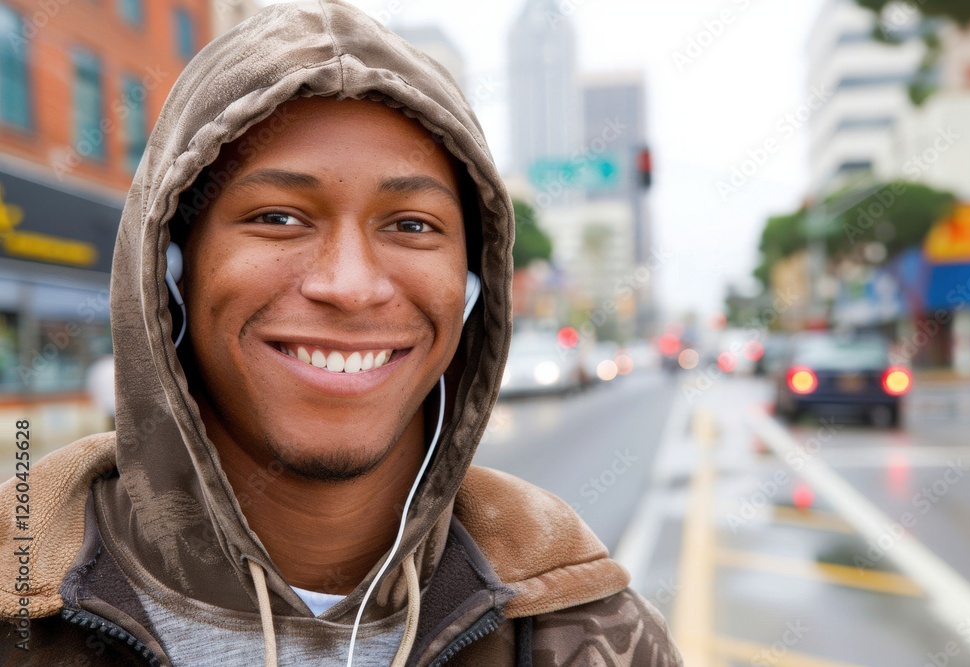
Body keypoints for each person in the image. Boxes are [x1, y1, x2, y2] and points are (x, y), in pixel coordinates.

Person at [0, 1, 683, 664]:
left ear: (473, 285)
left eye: (412, 225)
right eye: (279, 217)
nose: (352, 286)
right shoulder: (18, 595)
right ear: (170, 271)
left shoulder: (590, 629)